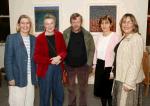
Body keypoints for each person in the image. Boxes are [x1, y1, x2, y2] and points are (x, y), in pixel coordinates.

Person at [112, 13, 145, 106]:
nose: (126, 24)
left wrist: (129, 83)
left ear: (134, 24)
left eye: (129, 22)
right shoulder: (124, 37)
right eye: (124, 22)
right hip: (121, 77)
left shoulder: (136, 38)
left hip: (128, 80)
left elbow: (136, 63)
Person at [34, 14, 67, 106]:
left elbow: (64, 51)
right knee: (45, 95)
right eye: (47, 24)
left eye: (51, 23)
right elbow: (36, 57)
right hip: (45, 69)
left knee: (59, 94)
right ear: (44, 25)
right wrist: (50, 61)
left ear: (55, 24)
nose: (49, 26)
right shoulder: (39, 38)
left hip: (58, 68)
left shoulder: (59, 35)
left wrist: (59, 57)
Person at [63, 13, 95, 106]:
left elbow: (92, 49)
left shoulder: (87, 34)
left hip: (83, 66)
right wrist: (63, 63)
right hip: (69, 67)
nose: (76, 24)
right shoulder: (65, 33)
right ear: (70, 22)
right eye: (73, 22)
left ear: (81, 22)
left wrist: (89, 64)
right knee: (71, 89)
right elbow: (61, 48)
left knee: (83, 90)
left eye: (78, 21)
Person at [4, 15, 37, 106]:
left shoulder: (33, 39)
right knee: (17, 102)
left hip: (31, 77)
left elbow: (35, 58)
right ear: (18, 25)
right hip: (17, 76)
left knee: (29, 101)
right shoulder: (11, 38)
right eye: (22, 23)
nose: (25, 25)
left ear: (30, 25)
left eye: (27, 23)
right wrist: (10, 77)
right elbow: (8, 59)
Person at [93, 15, 120, 106]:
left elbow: (117, 55)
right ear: (100, 25)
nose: (104, 25)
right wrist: (94, 65)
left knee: (108, 91)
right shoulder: (99, 37)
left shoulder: (115, 37)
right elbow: (95, 52)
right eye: (102, 23)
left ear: (110, 24)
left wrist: (113, 69)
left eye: (106, 23)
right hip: (99, 65)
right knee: (101, 90)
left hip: (109, 66)